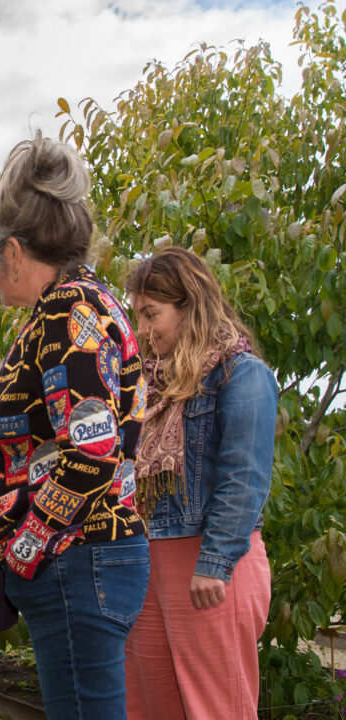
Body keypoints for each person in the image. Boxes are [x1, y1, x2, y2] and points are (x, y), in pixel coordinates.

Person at [0, 135, 148, 718]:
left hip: (78, 556)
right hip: (87, 554)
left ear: (14, 252)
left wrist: (25, 548)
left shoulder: (70, 314)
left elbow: (92, 451)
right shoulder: (87, 302)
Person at [123, 247, 276, 720]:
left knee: (217, 709)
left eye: (153, 314)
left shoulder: (242, 374)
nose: (144, 330)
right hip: (149, 563)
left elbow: (244, 477)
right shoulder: (147, 383)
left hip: (211, 567)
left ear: (190, 304)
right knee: (147, 706)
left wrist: (214, 562)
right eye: (139, 316)